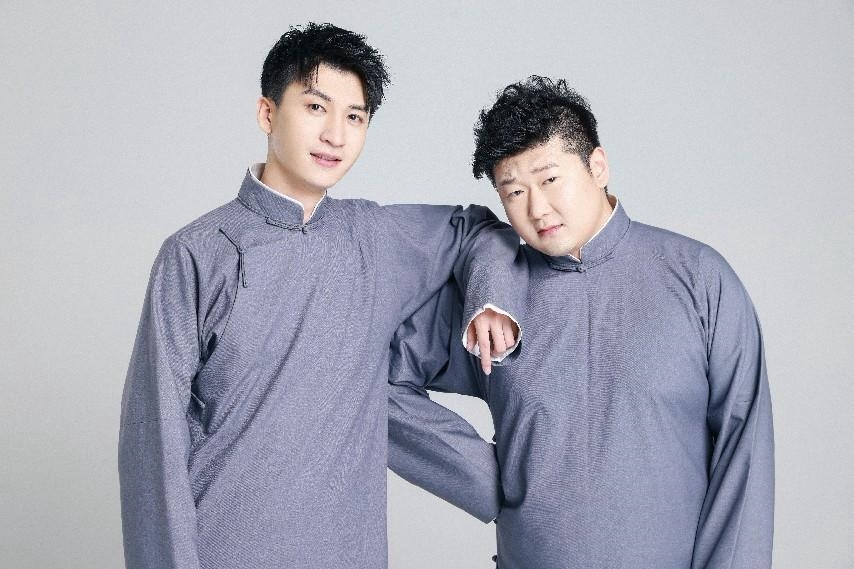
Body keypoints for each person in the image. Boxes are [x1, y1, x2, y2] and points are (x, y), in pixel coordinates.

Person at [118, 23, 521, 569]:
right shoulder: (196, 254)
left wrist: (489, 302)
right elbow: (154, 444)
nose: (335, 134)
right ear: (267, 113)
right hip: (224, 549)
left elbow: (476, 229)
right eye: (315, 107)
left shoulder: (373, 237)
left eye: (355, 117)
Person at [389, 76, 774, 569]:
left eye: (550, 180)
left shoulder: (699, 278)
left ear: (598, 166)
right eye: (514, 192)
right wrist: (484, 479)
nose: (537, 208)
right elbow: (372, 375)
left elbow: (744, 450)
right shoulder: (493, 308)